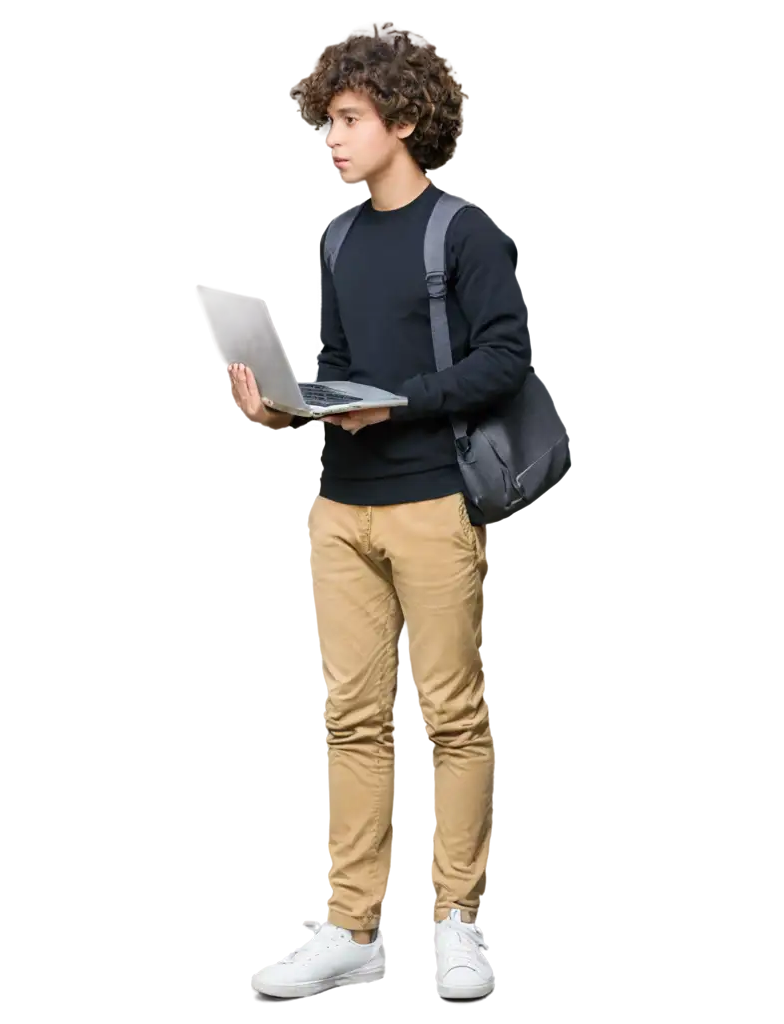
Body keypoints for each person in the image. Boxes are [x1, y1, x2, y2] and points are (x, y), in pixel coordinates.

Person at [233, 23, 532, 1003]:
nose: (331, 137)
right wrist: (283, 406)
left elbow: (504, 357)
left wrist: (402, 402)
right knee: (350, 722)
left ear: (403, 120)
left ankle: (458, 925)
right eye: (327, 120)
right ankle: (350, 930)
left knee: (451, 719)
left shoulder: (464, 232)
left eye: (350, 118)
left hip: (432, 500)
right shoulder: (335, 236)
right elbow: (335, 376)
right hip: (340, 505)